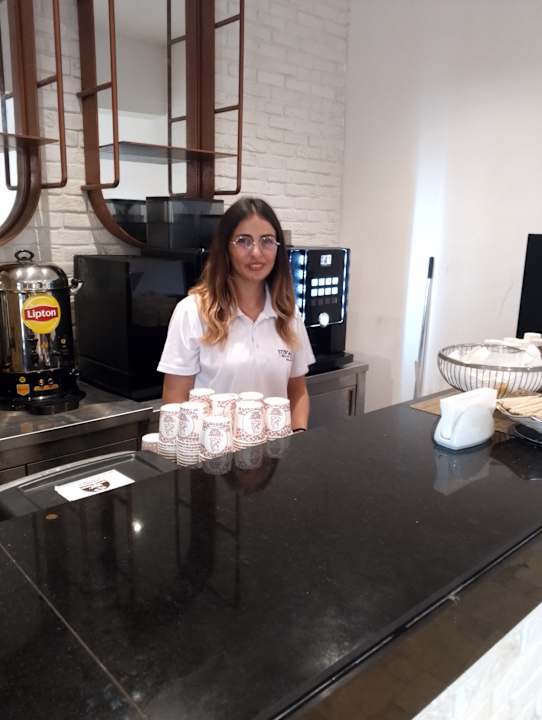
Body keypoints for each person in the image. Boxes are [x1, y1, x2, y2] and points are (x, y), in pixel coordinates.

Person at [157, 197, 315, 431]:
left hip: (276, 451)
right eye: (243, 241)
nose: (256, 252)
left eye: (267, 241)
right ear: (225, 248)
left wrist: (299, 434)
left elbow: (298, 392)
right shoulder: (192, 311)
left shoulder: (287, 314)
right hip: (212, 451)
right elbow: (175, 397)